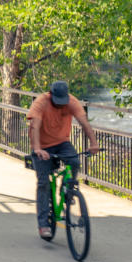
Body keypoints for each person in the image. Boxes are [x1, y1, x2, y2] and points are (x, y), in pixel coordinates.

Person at [27, 80, 99, 240]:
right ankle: (44, 224)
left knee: (74, 161)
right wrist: (38, 149)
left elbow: (84, 123)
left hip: (62, 143)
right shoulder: (41, 102)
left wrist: (94, 144)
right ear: (50, 94)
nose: (60, 105)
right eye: (57, 101)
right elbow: (35, 126)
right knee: (43, 183)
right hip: (42, 144)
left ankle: (68, 191)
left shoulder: (71, 102)